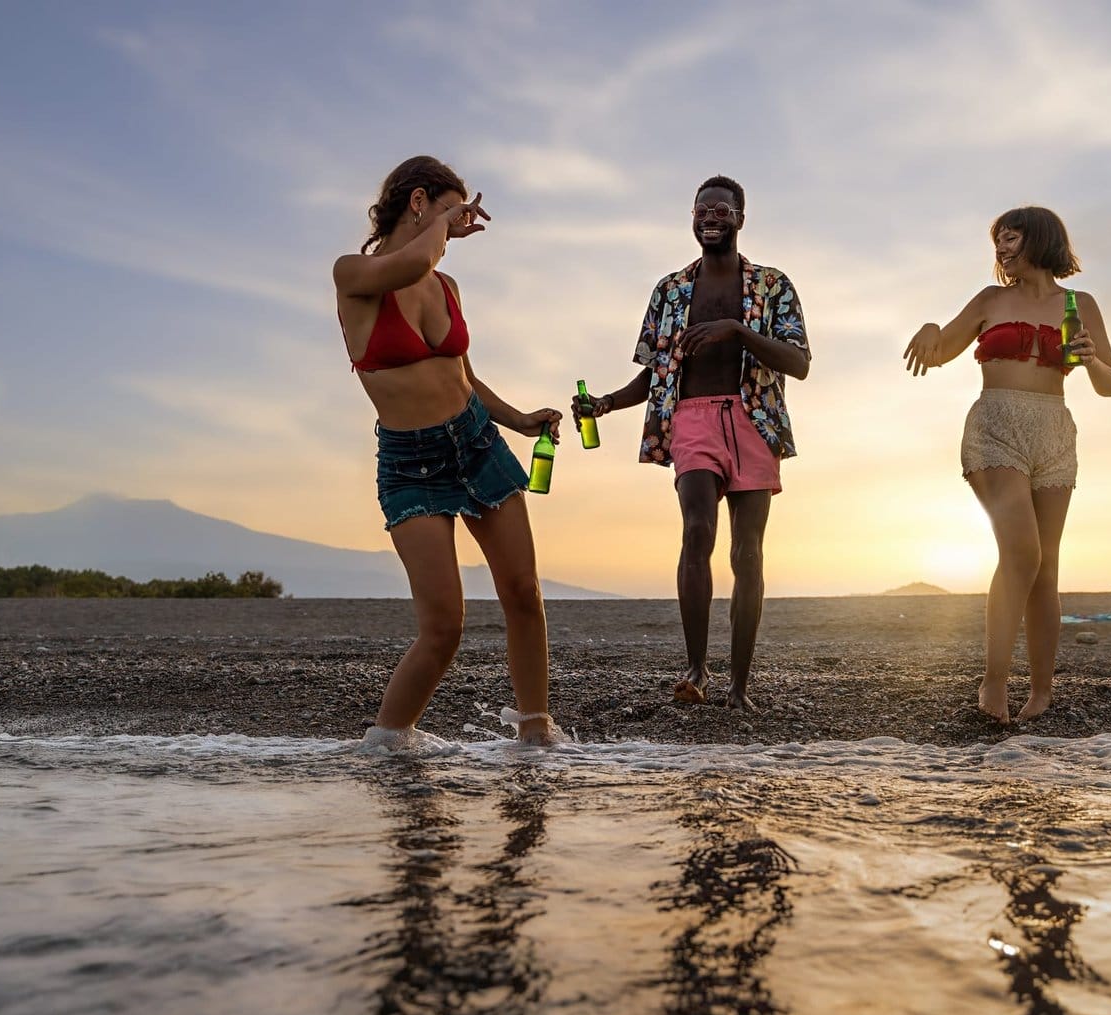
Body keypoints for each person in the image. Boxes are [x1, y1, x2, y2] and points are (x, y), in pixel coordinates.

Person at [333, 156, 563, 746]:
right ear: (418, 202)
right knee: (443, 626)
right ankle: (386, 746)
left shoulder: (446, 286)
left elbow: (463, 377)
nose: (458, 225)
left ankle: (536, 733)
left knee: (524, 593)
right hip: (410, 464)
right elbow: (414, 260)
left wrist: (520, 420)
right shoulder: (354, 273)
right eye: (449, 209)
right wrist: (445, 226)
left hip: (477, 442)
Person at [573, 176, 811, 713]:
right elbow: (654, 374)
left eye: (721, 210)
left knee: (747, 553)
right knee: (698, 530)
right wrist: (604, 404)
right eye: (701, 210)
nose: (710, 218)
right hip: (692, 420)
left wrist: (737, 330)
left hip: (754, 420)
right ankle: (697, 668)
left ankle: (739, 686)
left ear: (740, 219)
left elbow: (798, 363)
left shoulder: (773, 285)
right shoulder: (671, 290)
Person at [903, 206, 1111, 725]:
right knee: (1022, 552)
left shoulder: (1079, 305)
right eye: (997, 241)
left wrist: (1090, 358)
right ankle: (994, 681)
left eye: (1011, 238)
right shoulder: (990, 300)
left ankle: (1041, 692)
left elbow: (1110, 384)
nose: (1001, 249)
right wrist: (931, 327)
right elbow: (940, 352)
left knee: (1046, 567)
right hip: (995, 427)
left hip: (1055, 432)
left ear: (1040, 241)